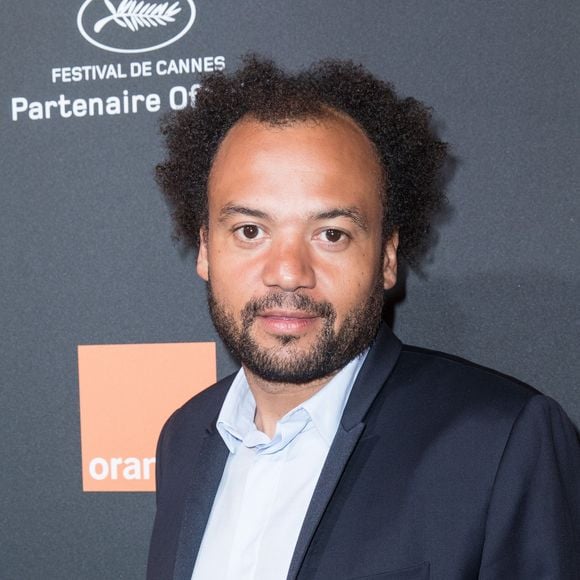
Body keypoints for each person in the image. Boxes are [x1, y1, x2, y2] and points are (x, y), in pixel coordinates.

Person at [147, 56, 580, 580]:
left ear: (388, 257)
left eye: (330, 234)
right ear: (205, 250)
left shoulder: (501, 442)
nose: (287, 273)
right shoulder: (183, 437)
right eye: (249, 231)